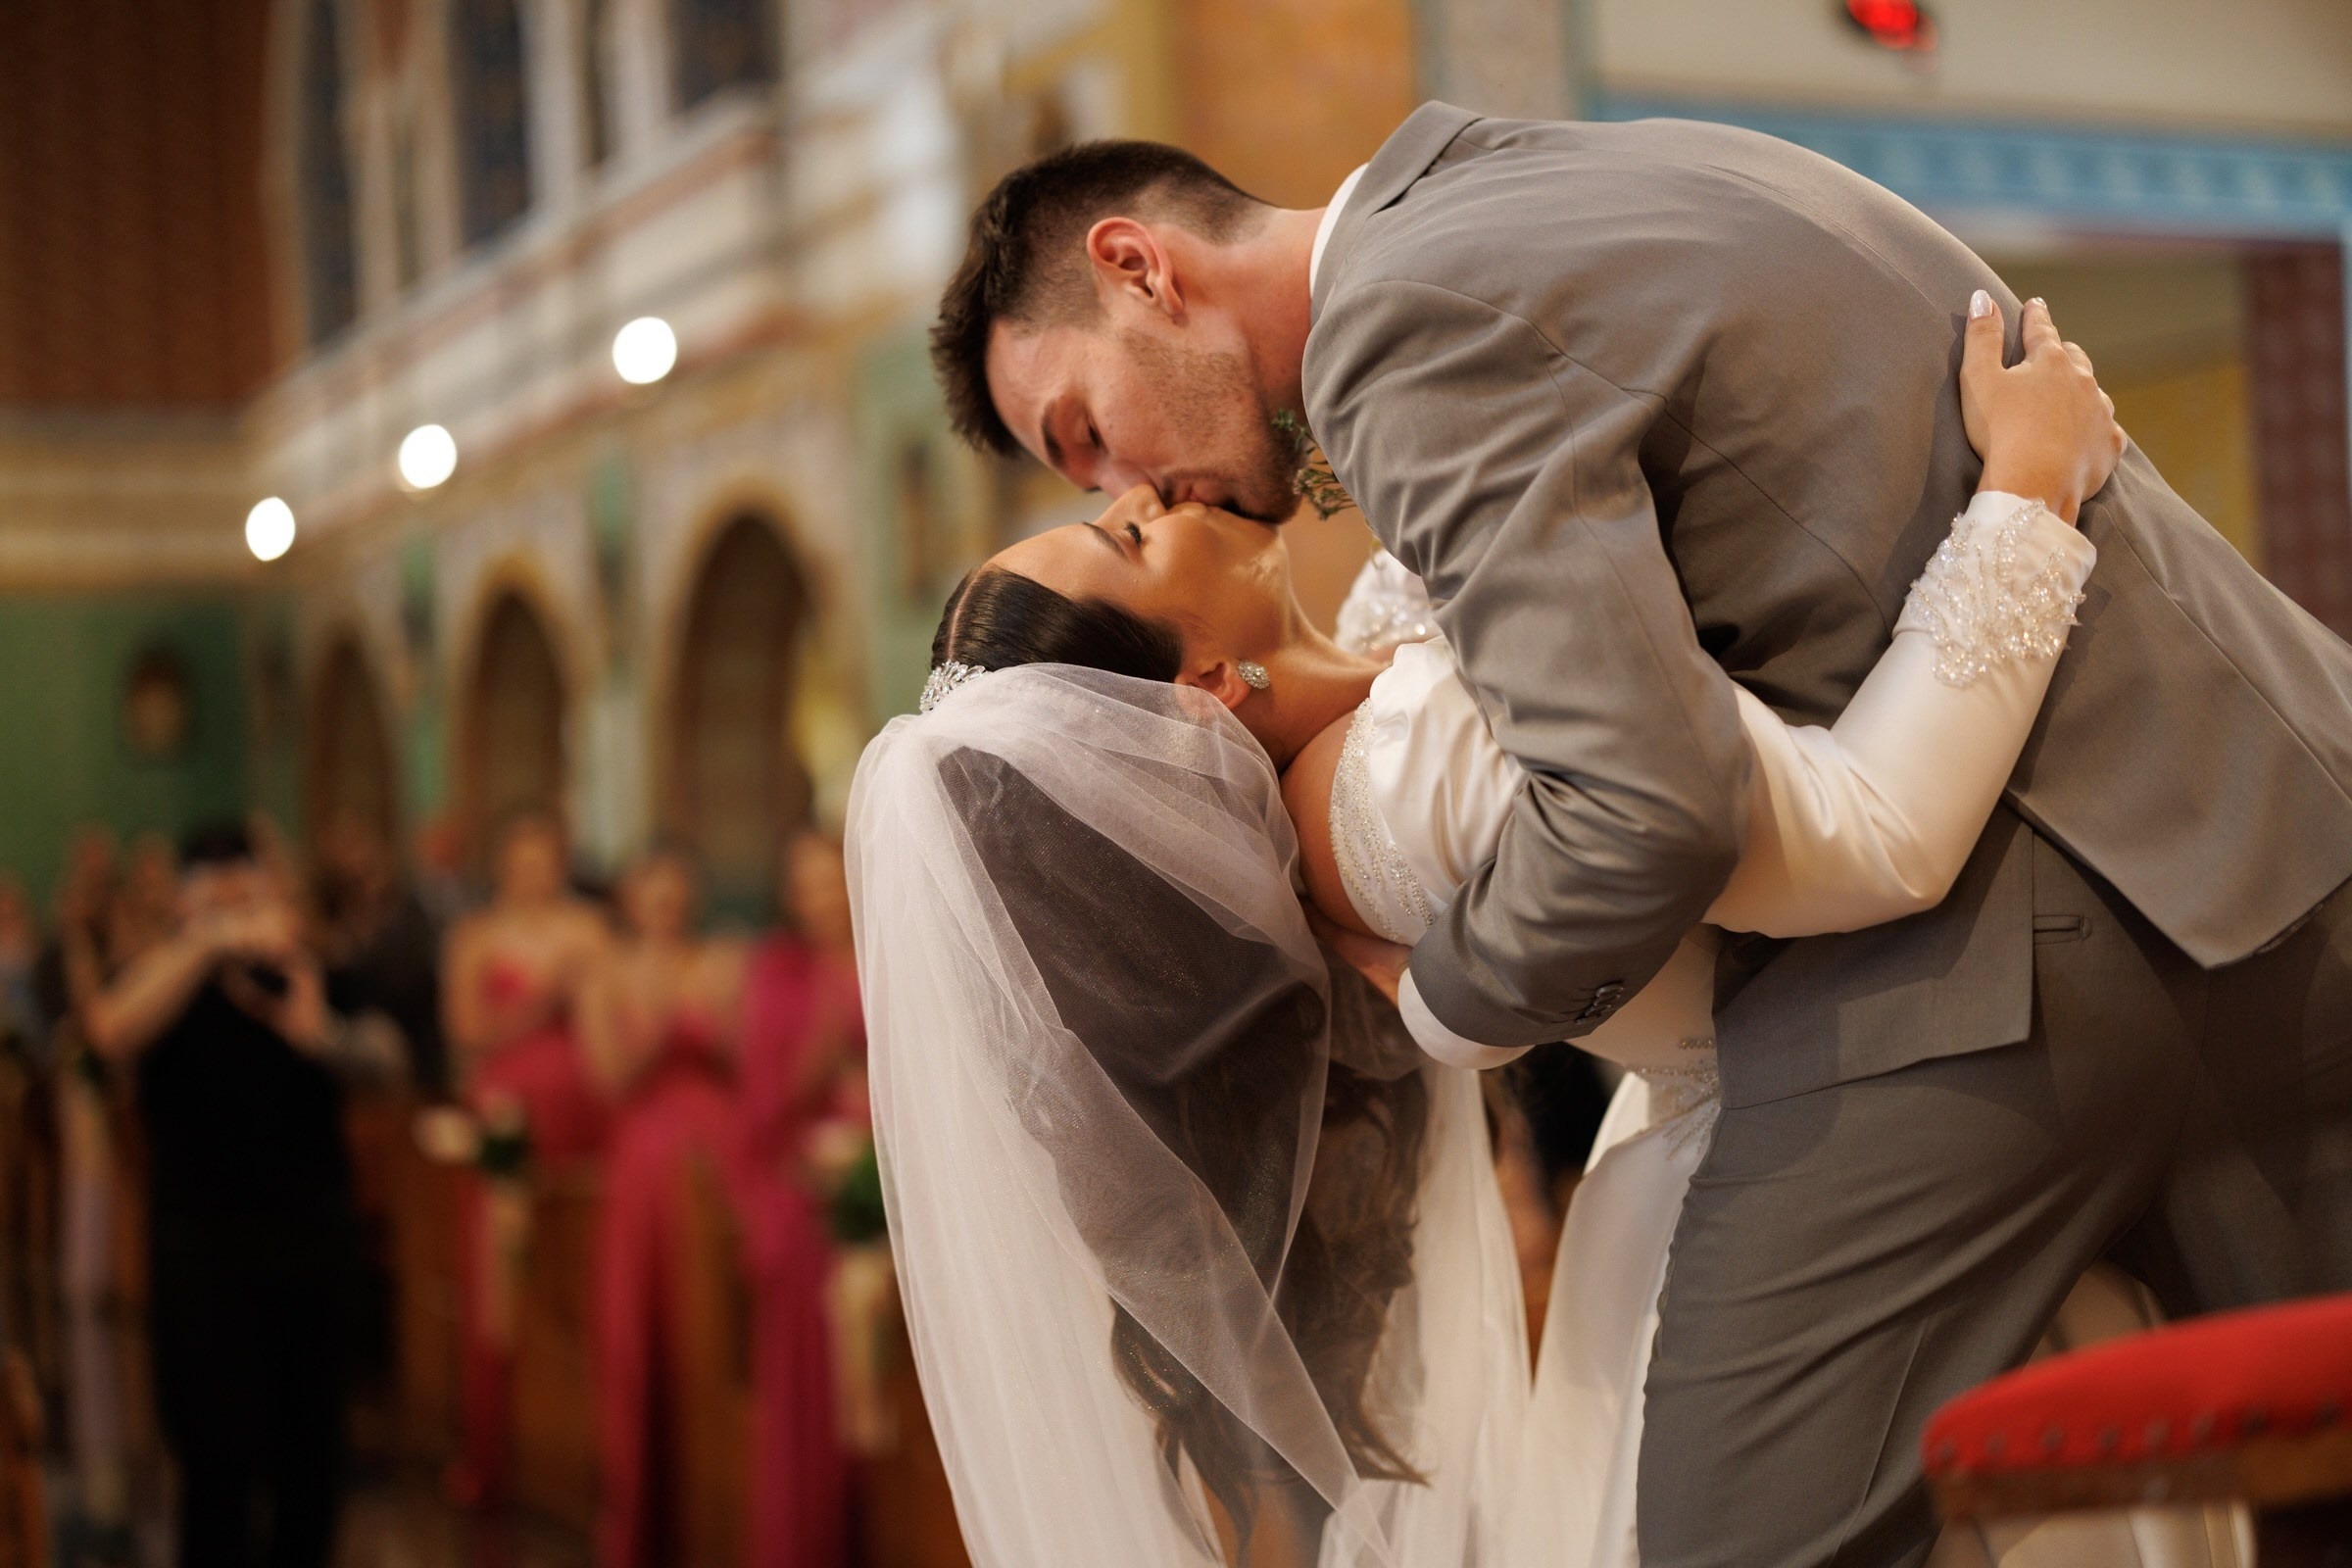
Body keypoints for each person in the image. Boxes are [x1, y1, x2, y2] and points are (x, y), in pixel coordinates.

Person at [928, 122, 2352, 1565]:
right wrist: (2027, 498)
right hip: (2233, 818)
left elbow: (1647, 803)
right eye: (1098, 503)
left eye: (1083, 435)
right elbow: (1752, 803)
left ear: (1135, 269)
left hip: (2024, 956)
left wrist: (1443, 1011)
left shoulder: (1393, 336)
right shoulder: (1507, 182)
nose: (1129, 485)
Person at [82, 821, 356, 1568]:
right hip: (203, 1247)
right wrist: (204, 946)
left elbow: (381, 1060)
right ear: (183, 899)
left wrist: (312, 1016)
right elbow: (108, 1031)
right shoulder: (168, 969)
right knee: (215, 1459)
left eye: (245, 880)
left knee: (311, 1457)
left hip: (308, 1239)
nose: (233, 900)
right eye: (213, 885)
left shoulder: (306, 961)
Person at [440, 808, 612, 1506]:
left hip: (583, 1121)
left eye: (547, 860)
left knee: (581, 1281)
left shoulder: (590, 930)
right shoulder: (474, 937)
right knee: (501, 1285)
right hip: (507, 1122)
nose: (535, 873)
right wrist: (545, 998)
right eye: (523, 860)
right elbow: (467, 1033)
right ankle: (497, 1448)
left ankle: (589, 1447)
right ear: (504, 865)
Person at [581, 846, 746, 1568]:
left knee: (710, 1333)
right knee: (642, 1334)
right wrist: (658, 1018)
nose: (665, 911)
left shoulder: (720, 961)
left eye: (676, 898)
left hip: (717, 1158)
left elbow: (747, 1061)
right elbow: (608, 1080)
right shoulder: (606, 973)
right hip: (644, 1168)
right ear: (630, 904)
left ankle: (717, 1515)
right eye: (652, 898)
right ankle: (644, 1521)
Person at [733, 833, 859, 1568]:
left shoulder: (891, 944)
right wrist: (818, 1050)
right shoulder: (778, 977)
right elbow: (763, 1110)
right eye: (805, 885)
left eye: (830, 879)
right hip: (809, 1191)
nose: (821, 898)